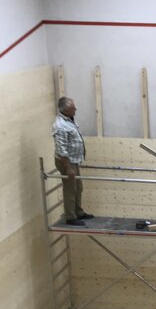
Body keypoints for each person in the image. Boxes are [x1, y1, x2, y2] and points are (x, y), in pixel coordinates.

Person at [52, 96, 93, 226]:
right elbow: (61, 149)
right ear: (65, 110)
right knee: (70, 189)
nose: (75, 110)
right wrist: (68, 167)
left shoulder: (69, 119)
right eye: (73, 108)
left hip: (73, 160)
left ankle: (78, 212)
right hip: (67, 162)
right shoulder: (60, 126)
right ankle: (70, 216)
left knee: (78, 187)